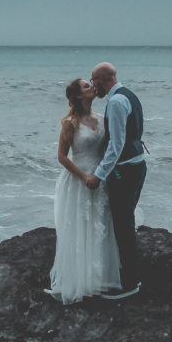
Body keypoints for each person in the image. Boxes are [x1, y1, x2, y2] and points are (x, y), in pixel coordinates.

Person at [49, 77, 121, 302]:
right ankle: (81, 280)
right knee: (82, 229)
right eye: (86, 86)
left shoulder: (101, 119)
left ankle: (99, 278)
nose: (92, 87)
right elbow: (61, 156)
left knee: (100, 227)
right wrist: (84, 177)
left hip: (100, 179)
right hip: (80, 180)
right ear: (78, 95)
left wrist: (102, 175)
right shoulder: (70, 122)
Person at [87, 61, 145, 298]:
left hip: (126, 171)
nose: (93, 86)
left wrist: (99, 174)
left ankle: (130, 283)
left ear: (103, 79)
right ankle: (128, 276)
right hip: (135, 166)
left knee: (124, 226)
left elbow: (117, 144)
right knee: (123, 223)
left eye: (94, 81)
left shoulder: (118, 101)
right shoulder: (127, 95)